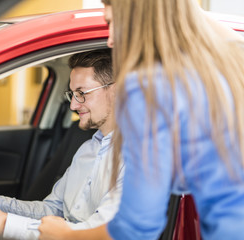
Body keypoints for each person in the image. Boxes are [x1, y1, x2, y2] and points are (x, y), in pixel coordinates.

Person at [39, 0, 244, 239]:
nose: (110, 40)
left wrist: (64, 234)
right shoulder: (233, 58)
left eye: (111, 22)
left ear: (137, 18)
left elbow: (136, 228)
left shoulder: (152, 89)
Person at [0, 49, 124, 239]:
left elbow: (100, 234)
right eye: (72, 94)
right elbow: (52, 210)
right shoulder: (87, 150)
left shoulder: (138, 161)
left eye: (82, 93)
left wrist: (4, 224)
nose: (73, 105)